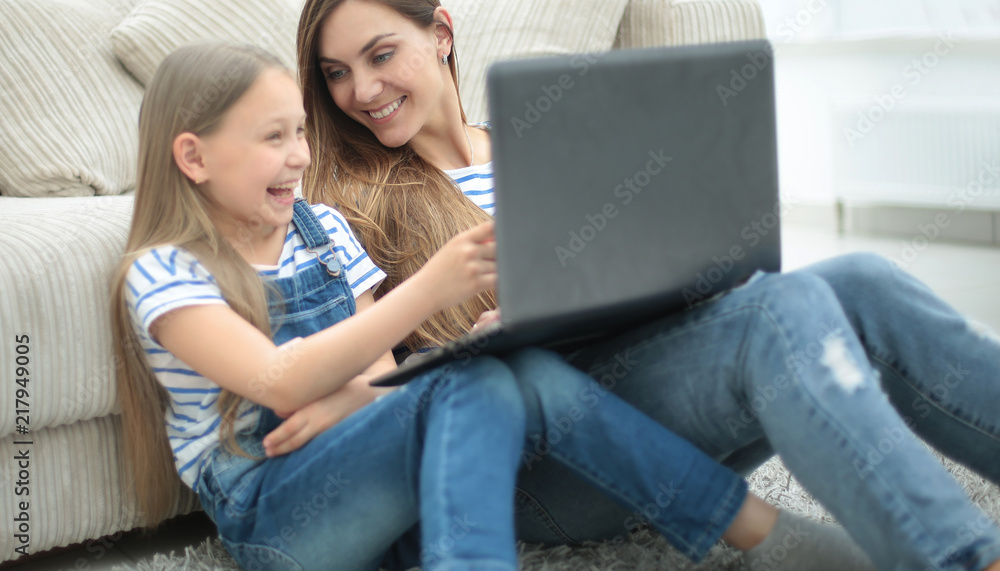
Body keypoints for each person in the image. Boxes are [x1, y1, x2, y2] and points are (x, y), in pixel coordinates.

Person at [296, 0, 1000, 571]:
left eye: (381, 55)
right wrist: (475, 348)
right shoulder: (349, 203)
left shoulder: (548, 138)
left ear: (441, 33)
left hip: (647, 380)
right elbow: (375, 399)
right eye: (336, 72)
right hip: (544, 460)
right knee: (778, 315)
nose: (360, 91)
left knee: (860, 280)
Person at [110, 42, 879, 571]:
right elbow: (277, 380)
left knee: (501, 373)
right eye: (274, 138)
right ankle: (750, 525)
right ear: (193, 156)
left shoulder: (321, 228)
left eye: (303, 132)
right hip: (278, 520)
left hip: (383, 500)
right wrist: (433, 287)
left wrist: (346, 401)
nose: (302, 157)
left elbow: (379, 377)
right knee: (469, 380)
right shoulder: (164, 272)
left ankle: (744, 524)